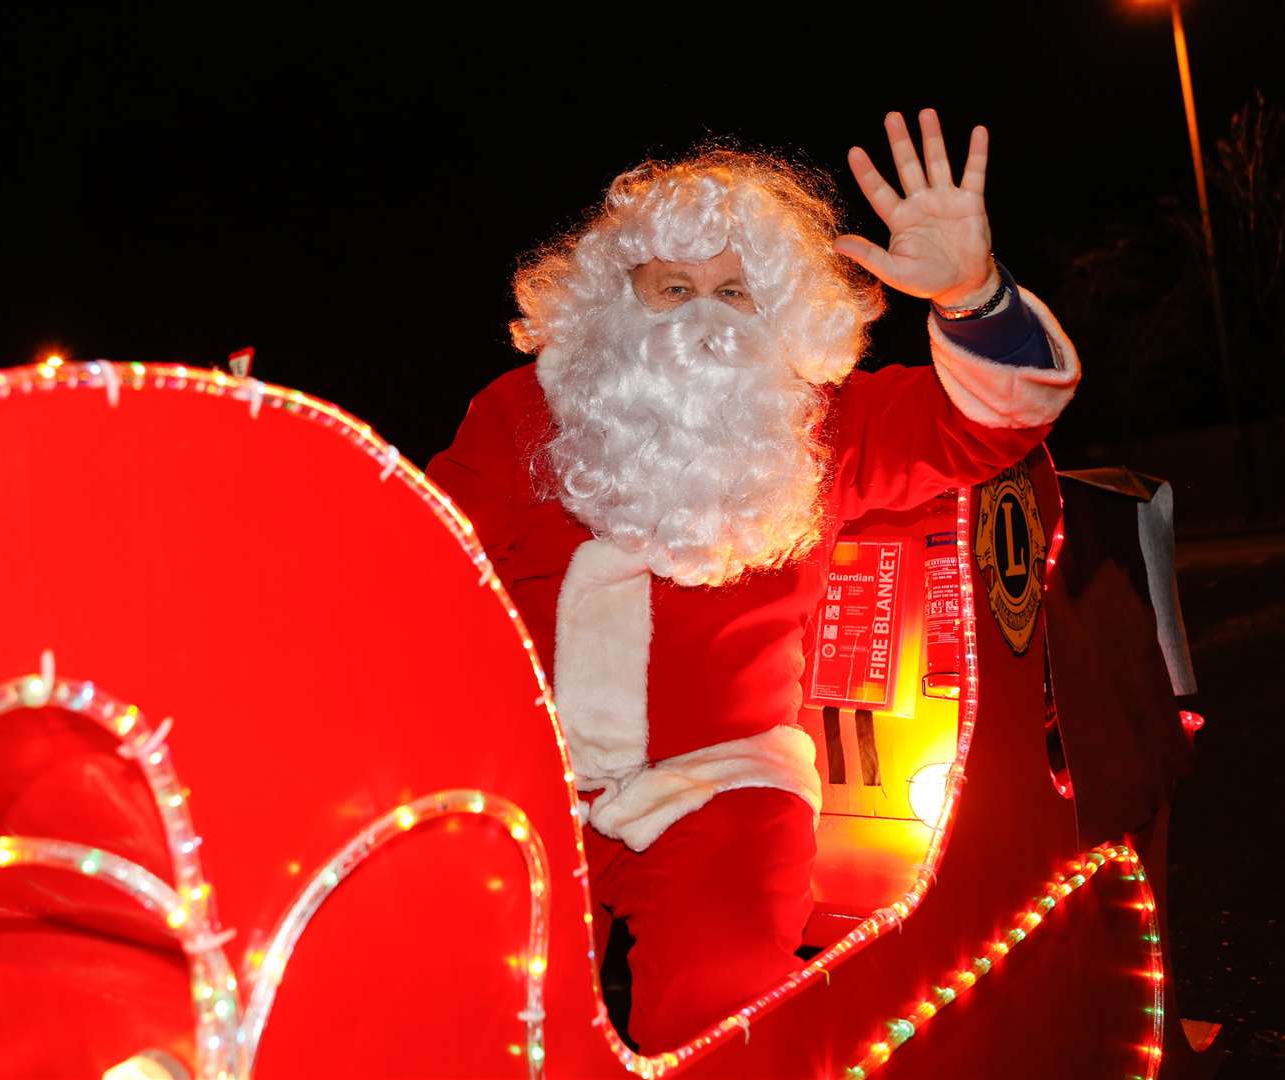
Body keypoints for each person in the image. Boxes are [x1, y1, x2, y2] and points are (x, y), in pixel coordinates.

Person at [426, 109, 1079, 1051]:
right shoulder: (519, 412)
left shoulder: (813, 421)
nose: (702, 317)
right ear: (617, 304)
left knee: (725, 1008)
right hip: (527, 780)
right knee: (481, 1012)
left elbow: (993, 421)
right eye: (675, 287)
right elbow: (431, 551)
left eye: (735, 294)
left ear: (782, 315)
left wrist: (972, 296)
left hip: (723, 789)